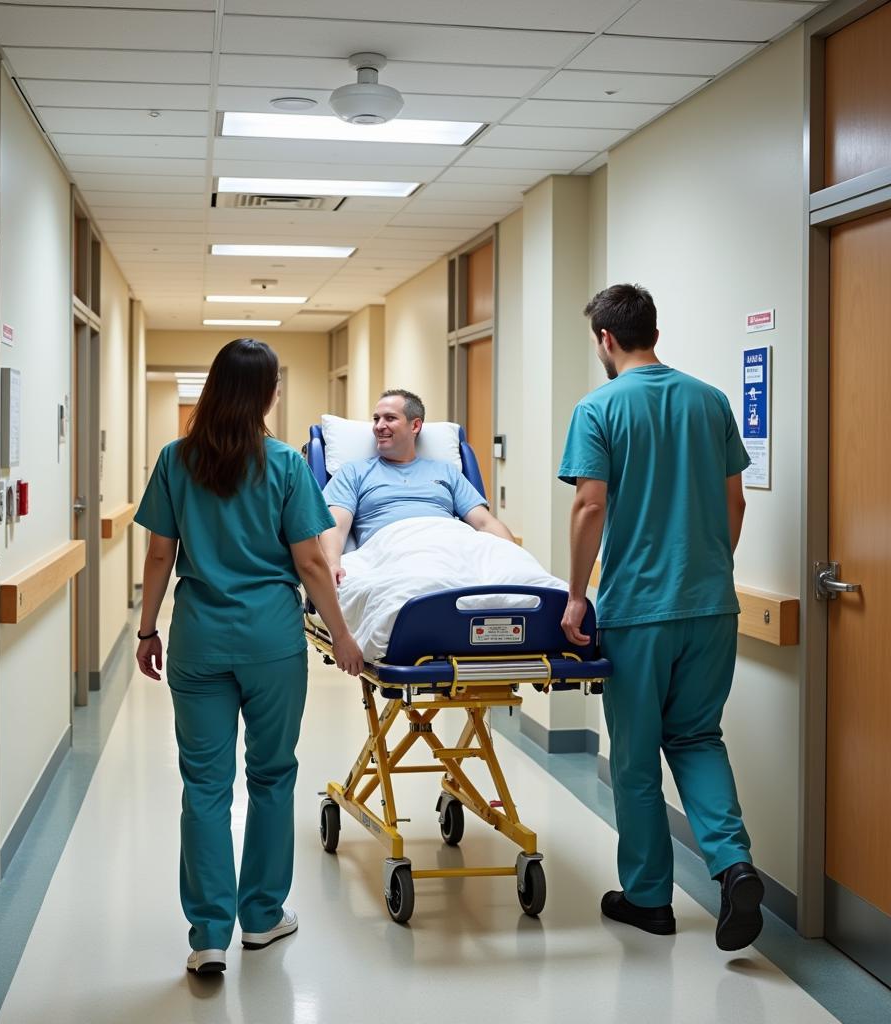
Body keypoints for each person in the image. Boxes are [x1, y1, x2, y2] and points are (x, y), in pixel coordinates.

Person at [134, 338, 363, 977]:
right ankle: (261, 917)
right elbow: (312, 560)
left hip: (199, 639)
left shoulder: (177, 460)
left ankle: (208, 933)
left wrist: (147, 629)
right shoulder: (286, 464)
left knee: (205, 786)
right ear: (265, 394)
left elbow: (159, 556)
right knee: (270, 777)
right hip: (271, 643)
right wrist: (343, 636)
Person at [558, 284, 764, 952]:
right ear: (652, 329)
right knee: (699, 737)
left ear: (605, 340)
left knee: (639, 758)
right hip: (712, 605)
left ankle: (649, 899)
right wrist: (706, 568)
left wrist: (575, 594)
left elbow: (591, 505)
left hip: (638, 612)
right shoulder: (710, 401)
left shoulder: (600, 407)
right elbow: (735, 502)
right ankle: (733, 866)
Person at [320, 389, 514, 581]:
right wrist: (332, 564)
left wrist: (515, 556)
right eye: (376, 418)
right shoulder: (353, 472)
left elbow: (485, 522)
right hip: (393, 550)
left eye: (389, 418)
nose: (379, 426)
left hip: (451, 546)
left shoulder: (447, 471)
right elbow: (335, 526)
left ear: (415, 426)